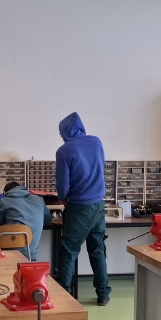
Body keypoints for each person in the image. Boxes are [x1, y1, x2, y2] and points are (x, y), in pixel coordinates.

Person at [54, 112, 111, 305]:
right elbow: (101, 165)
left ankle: (64, 294)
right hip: (98, 206)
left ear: (64, 131)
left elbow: (62, 184)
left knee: (69, 251)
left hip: (78, 207)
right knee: (97, 250)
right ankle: (103, 294)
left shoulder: (63, 151)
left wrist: (63, 198)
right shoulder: (96, 142)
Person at [0, 182, 52, 261]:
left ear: (4, 192)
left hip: (8, 254)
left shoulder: (4, 202)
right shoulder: (39, 200)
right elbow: (48, 221)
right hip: (30, 255)